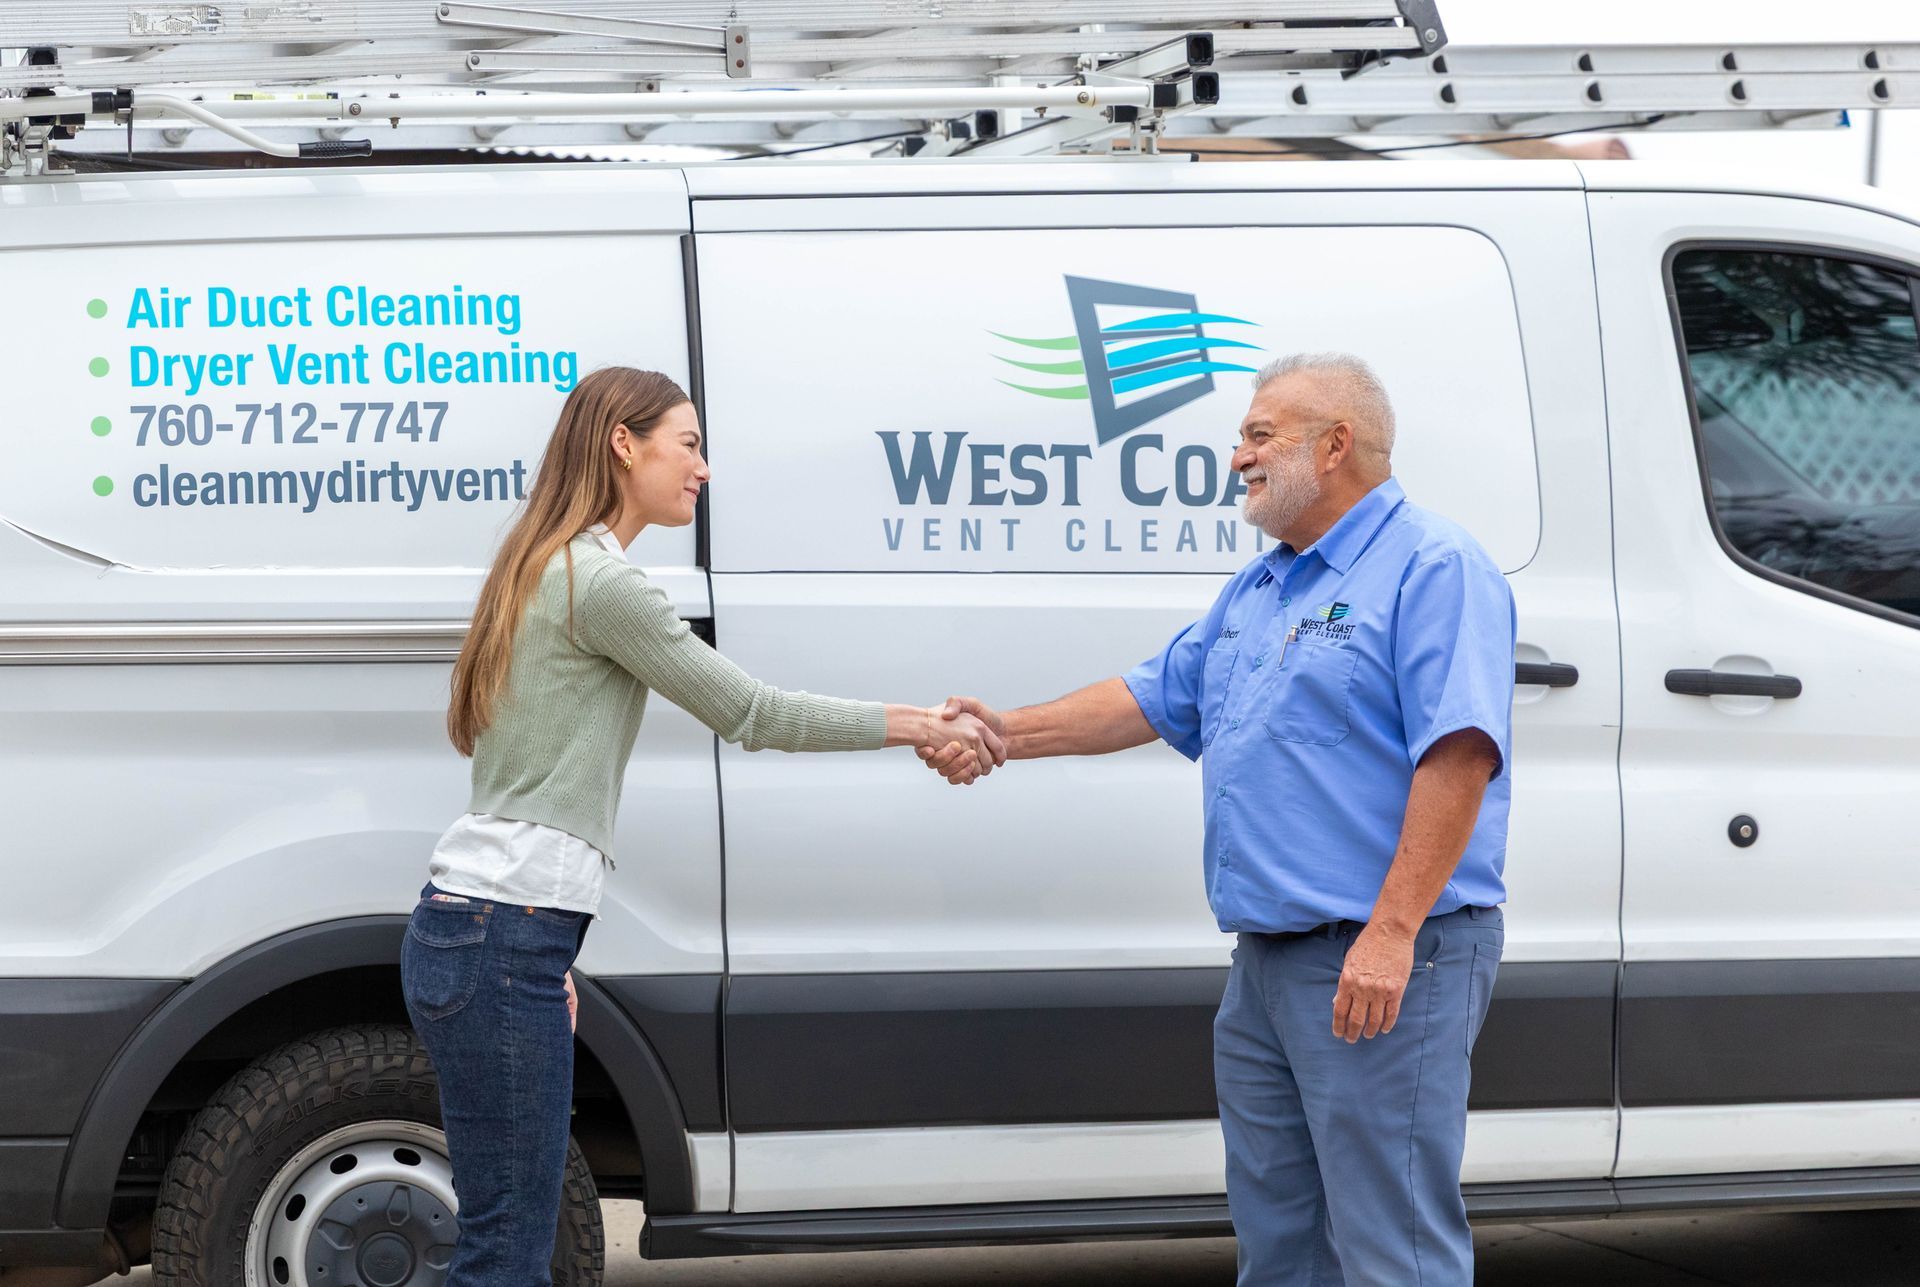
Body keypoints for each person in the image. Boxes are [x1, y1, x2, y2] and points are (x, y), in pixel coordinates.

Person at [401, 366, 1002, 1287]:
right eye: (686, 443)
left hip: (485, 929)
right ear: (623, 444)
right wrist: (919, 722)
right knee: (507, 1255)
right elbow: (754, 712)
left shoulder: (541, 561)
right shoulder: (602, 583)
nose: (703, 467)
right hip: (500, 937)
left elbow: (518, 771)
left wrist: (544, 955)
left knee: (504, 1239)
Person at [925, 352, 1516, 1286]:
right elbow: (1151, 697)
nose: (1236, 453)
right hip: (1270, 966)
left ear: (1334, 446)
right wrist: (1007, 731)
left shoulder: (1435, 566)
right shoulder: (1261, 587)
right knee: (1278, 1243)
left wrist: (1391, 931)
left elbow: (1460, 757)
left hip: (1379, 958)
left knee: (1390, 1246)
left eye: (1258, 433)